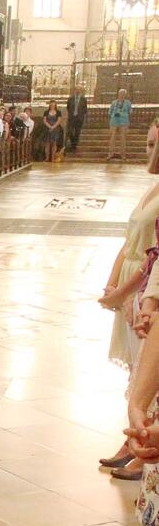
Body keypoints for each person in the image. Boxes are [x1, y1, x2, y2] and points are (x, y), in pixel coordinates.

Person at [97, 145, 159, 479]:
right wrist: (111, 284)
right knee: (137, 370)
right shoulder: (153, 187)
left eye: (153, 144)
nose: (150, 151)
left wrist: (128, 293)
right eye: (150, 144)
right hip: (137, 288)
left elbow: (154, 256)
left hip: (143, 285)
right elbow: (130, 240)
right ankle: (133, 439)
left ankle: (141, 445)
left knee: (144, 369)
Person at [109, 89, 132, 161]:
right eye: (120, 94)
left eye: (123, 94)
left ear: (125, 95)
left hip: (124, 121)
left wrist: (123, 114)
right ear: (118, 94)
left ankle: (122, 154)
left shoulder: (128, 103)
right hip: (114, 121)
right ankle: (111, 154)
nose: (121, 95)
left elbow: (130, 111)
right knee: (112, 138)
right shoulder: (114, 102)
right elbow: (110, 111)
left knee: (123, 138)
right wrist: (113, 115)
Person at [66, 85, 88, 151]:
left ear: (81, 90)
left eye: (79, 89)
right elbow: (68, 107)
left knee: (77, 132)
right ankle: (73, 142)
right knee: (70, 131)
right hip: (72, 117)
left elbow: (85, 109)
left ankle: (74, 146)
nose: (78, 91)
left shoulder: (83, 99)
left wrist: (82, 116)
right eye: (77, 89)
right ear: (75, 90)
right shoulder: (70, 99)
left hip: (79, 118)